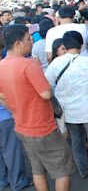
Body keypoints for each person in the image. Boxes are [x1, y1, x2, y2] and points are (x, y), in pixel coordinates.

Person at [0, 25, 76, 191]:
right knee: (62, 169)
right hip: (42, 127)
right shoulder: (29, 65)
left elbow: (2, 96)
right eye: (29, 39)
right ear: (18, 44)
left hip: (21, 126)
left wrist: (15, 111)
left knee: (37, 168)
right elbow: (46, 94)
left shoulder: (2, 66)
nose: (32, 42)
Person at [45, 31, 88, 183]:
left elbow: (46, 84)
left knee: (76, 140)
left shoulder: (56, 63)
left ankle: (83, 169)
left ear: (65, 45)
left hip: (68, 111)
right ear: (81, 45)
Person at [0, 26, 32, 191]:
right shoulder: (5, 64)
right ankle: (18, 181)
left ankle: (2, 180)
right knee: (11, 150)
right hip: (4, 116)